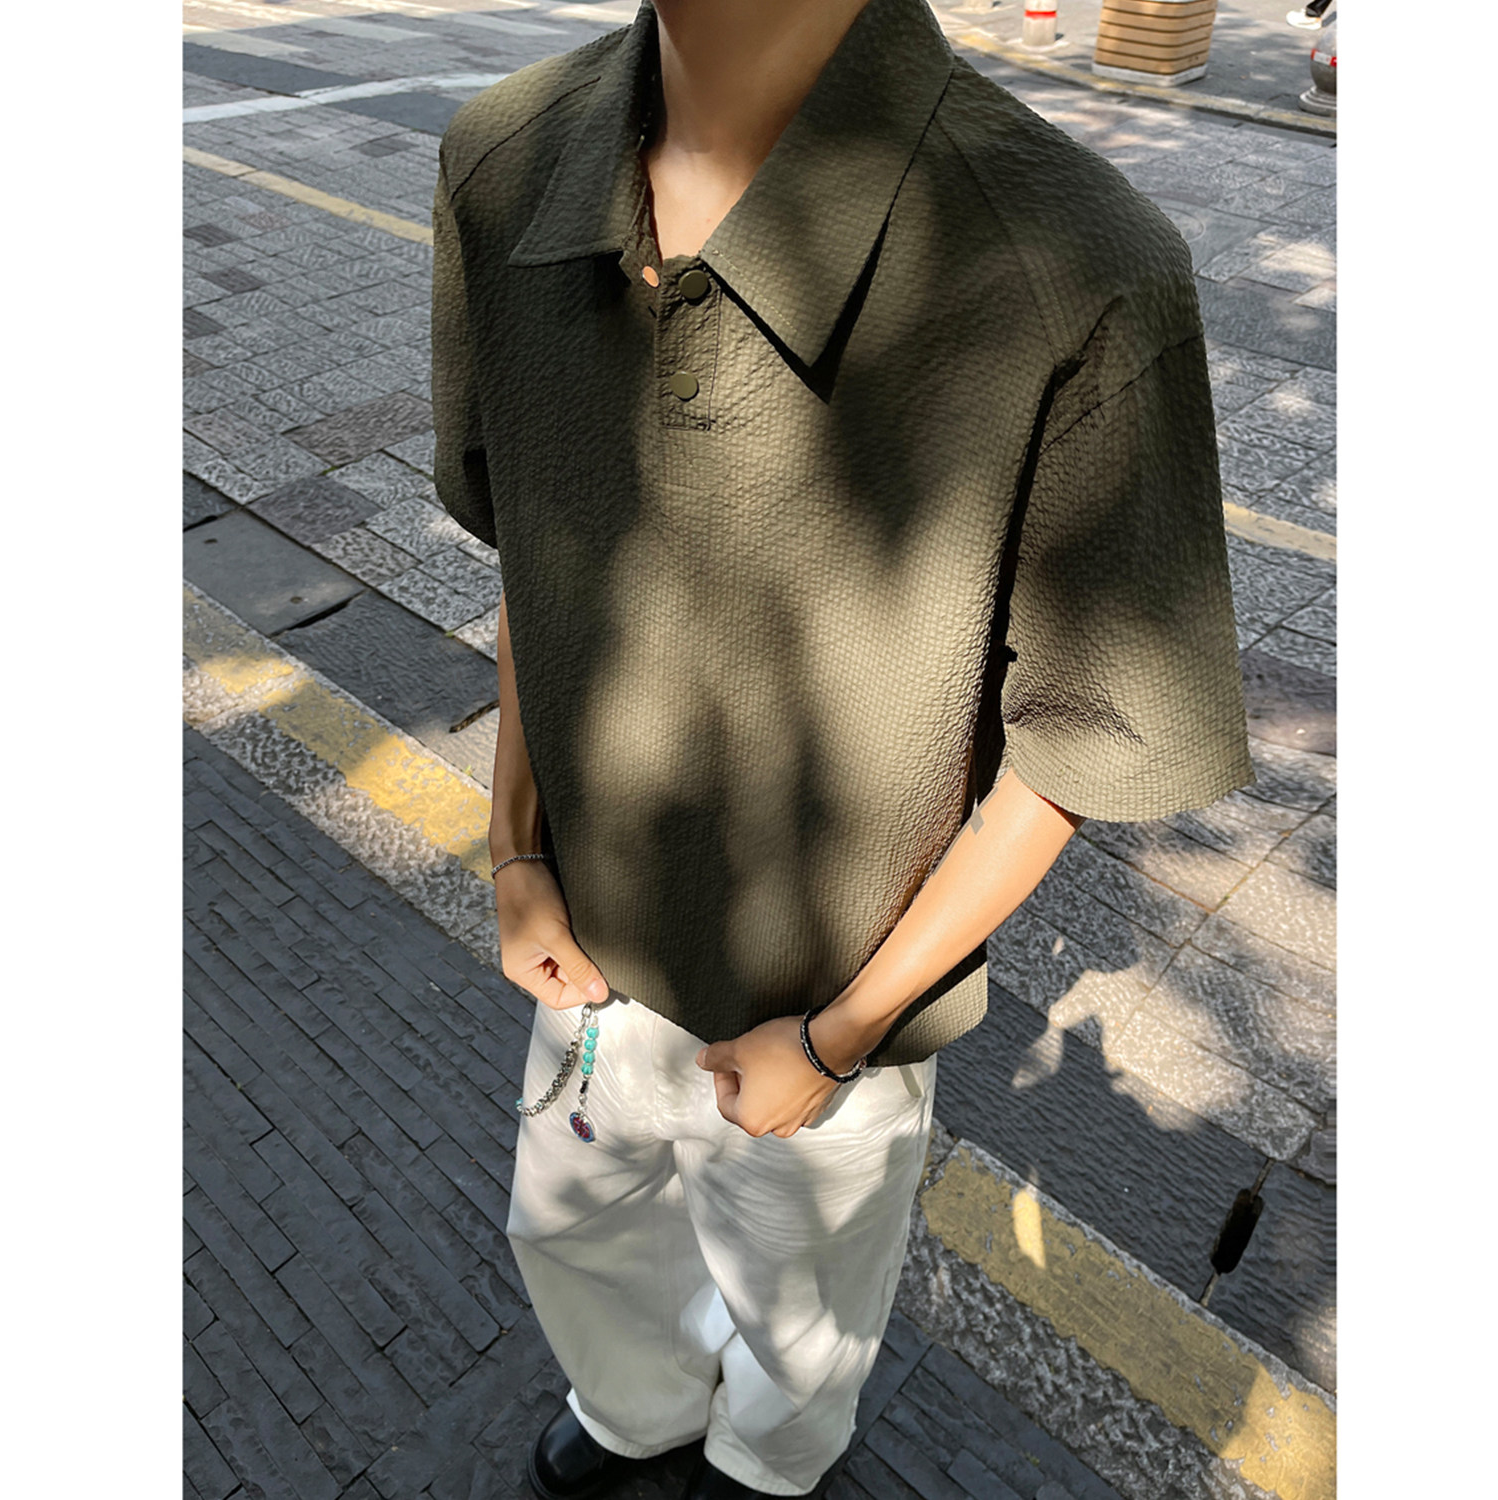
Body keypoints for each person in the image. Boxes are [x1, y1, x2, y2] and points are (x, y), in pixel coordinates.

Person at [429, 1, 1255, 1496]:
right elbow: (537, 559)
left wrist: (840, 1035)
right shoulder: (502, 163)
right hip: (589, 945)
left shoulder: (1076, 264)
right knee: (568, 1227)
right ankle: (634, 1407)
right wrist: (513, 850)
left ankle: (768, 1459)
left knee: (800, 1311)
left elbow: (1076, 742)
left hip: (833, 998)